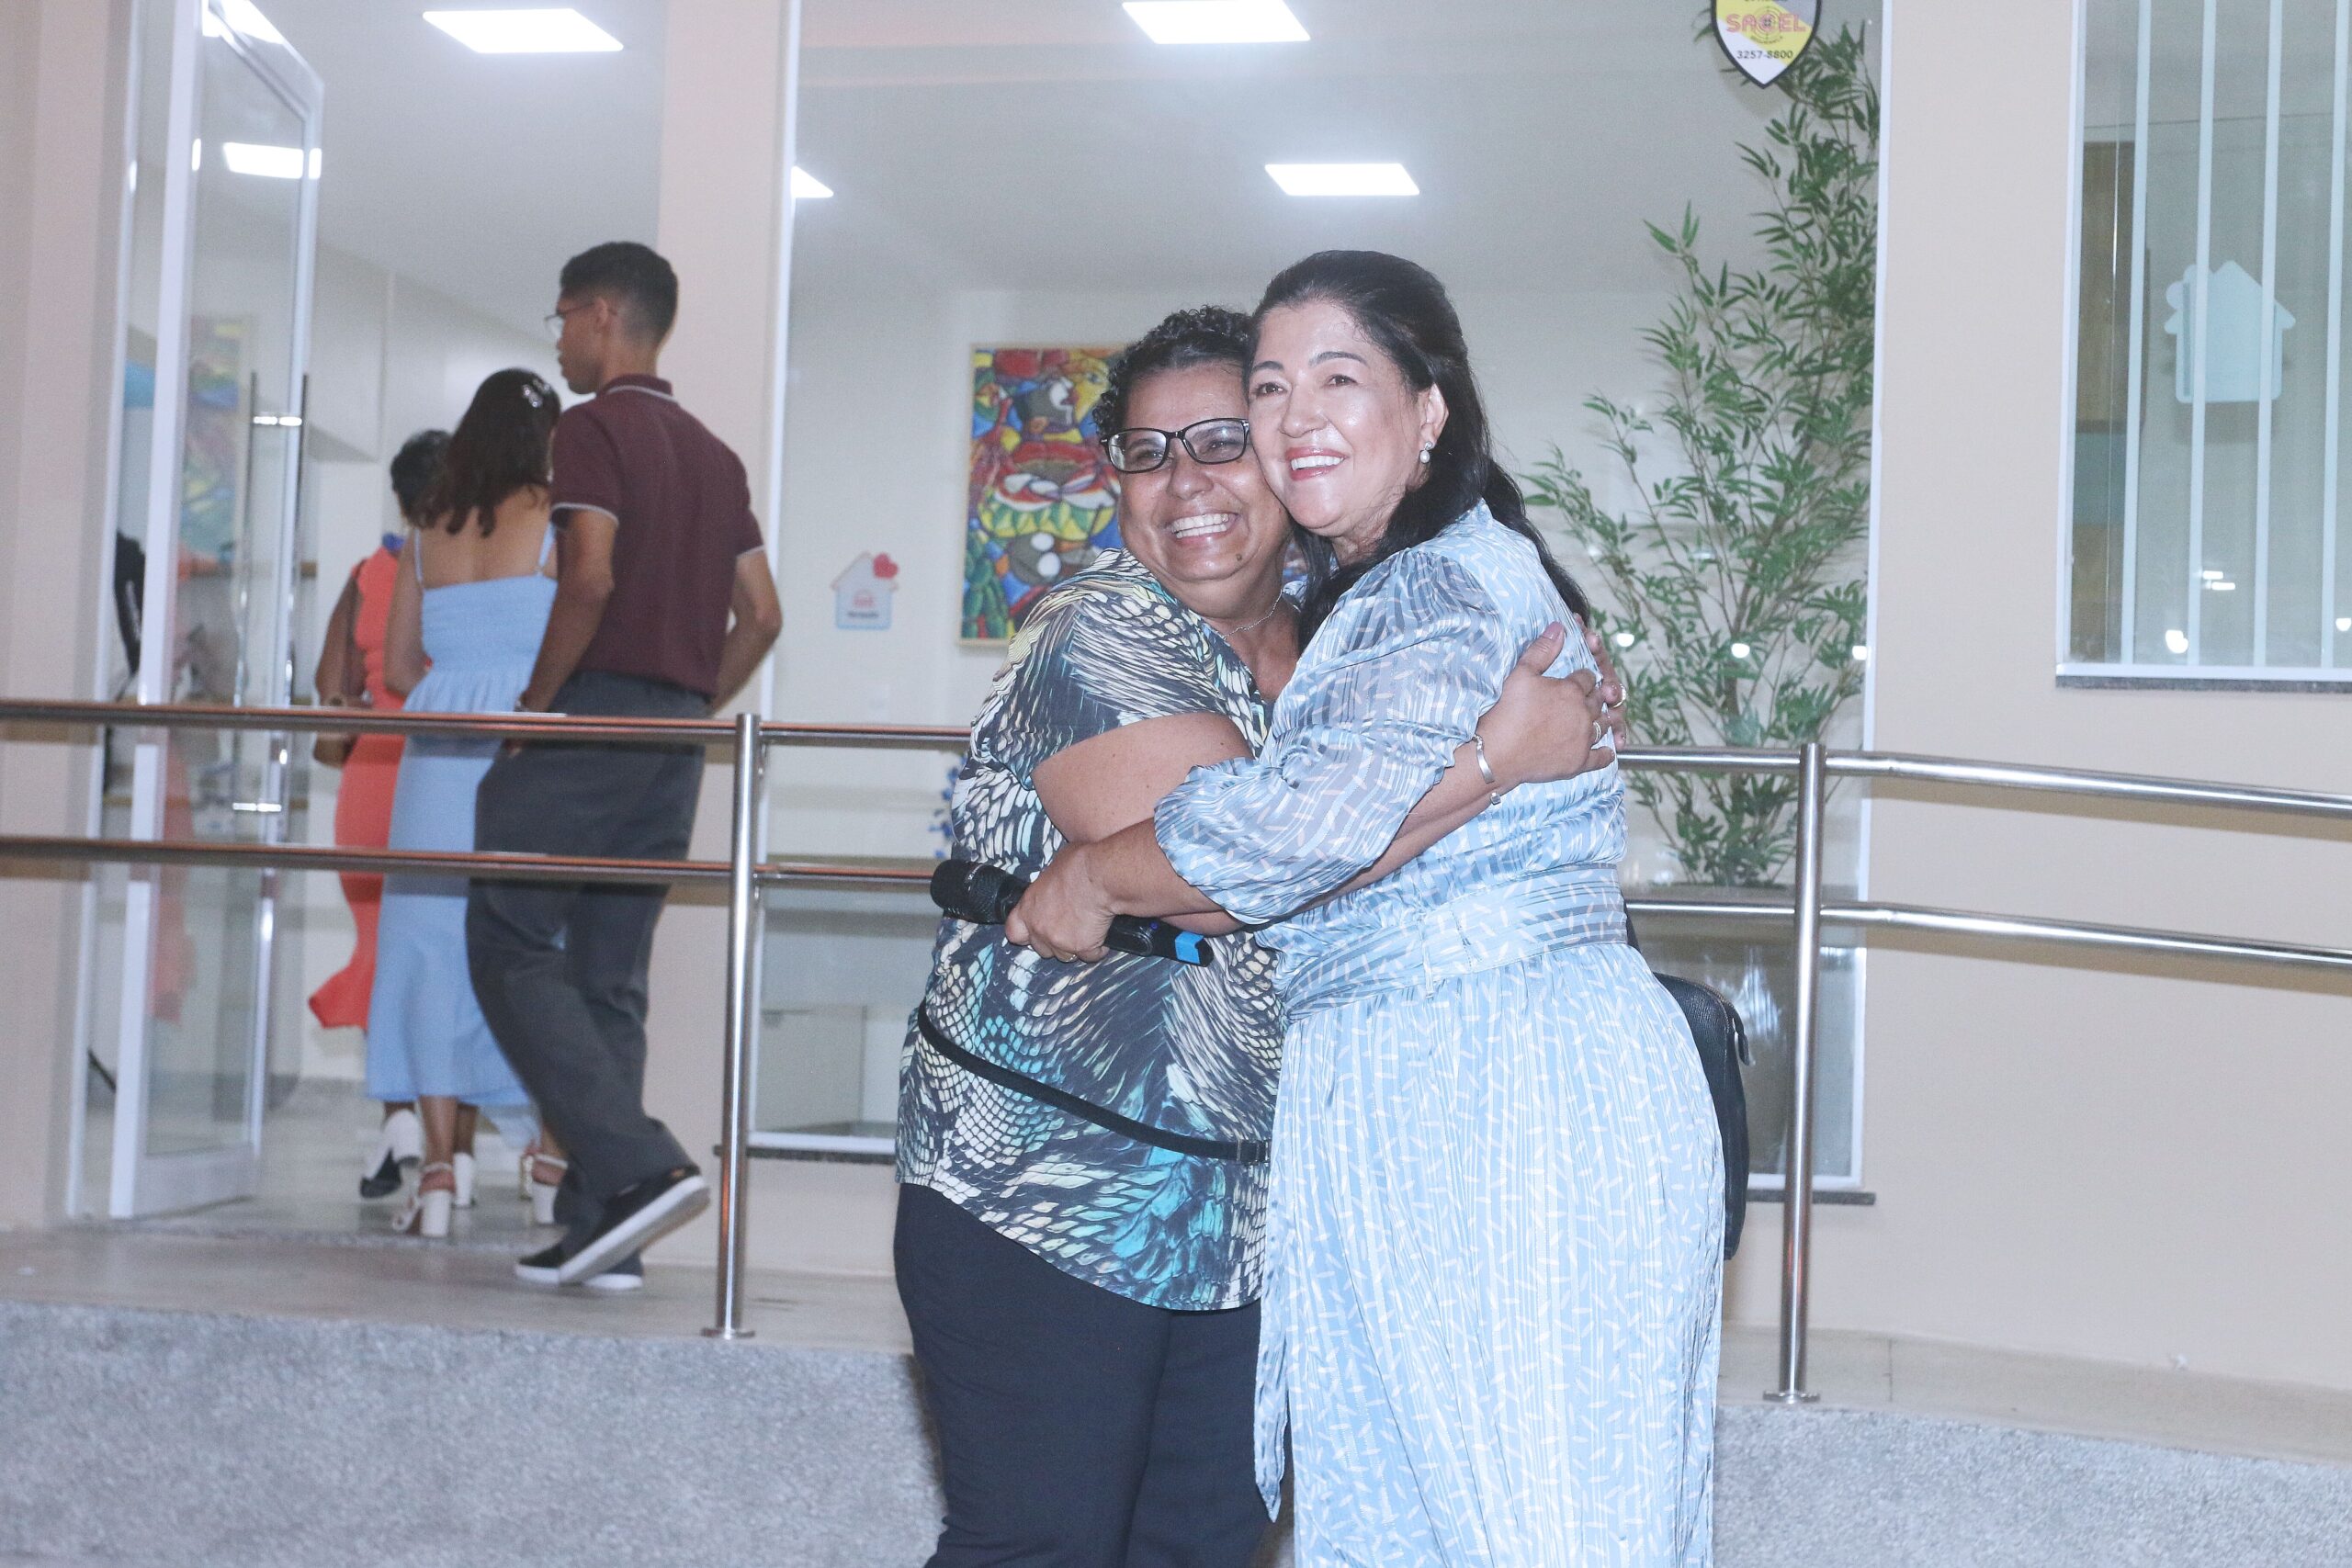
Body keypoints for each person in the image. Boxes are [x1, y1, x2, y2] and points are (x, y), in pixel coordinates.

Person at [1009, 252, 1722, 1565]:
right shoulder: (1382, 589)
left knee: (1527, 1515)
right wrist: (1495, 758)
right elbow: (1334, 837)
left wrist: (1099, 873)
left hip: (1498, 1088)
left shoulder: (1435, 584)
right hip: (1433, 1081)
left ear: (1427, 407)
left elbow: (1288, 833)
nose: (1295, 416)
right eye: (1271, 385)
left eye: (1339, 378)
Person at [469, 241, 783, 1291]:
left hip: (593, 717)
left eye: (562, 316)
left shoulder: (593, 428)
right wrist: (687, 702)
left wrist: (538, 708)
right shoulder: (714, 456)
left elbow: (589, 580)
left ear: (601, 313)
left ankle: (637, 1166)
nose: (558, 339)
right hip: (673, 740)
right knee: (607, 975)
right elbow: (762, 616)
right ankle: (608, 1231)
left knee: (507, 936)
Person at [368, 376, 559, 1242]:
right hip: (526, 741)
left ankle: (440, 1167)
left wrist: (457, 683)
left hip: (438, 751)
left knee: (428, 951)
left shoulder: (426, 531)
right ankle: (550, 1158)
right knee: (540, 943)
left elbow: (398, 668)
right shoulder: (556, 522)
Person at [311, 430, 441, 1201]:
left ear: (399, 497)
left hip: (370, 778)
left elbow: (331, 682)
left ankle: (398, 1120)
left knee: (376, 948)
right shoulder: (460, 572)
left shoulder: (368, 574)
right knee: (438, 955)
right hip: (439, 772)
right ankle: (445, 1146)